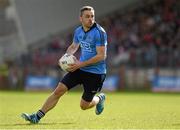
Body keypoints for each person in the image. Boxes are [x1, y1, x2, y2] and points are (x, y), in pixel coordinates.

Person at [21, 5, 108, 124]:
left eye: (92, 16)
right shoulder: (78, 31)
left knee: (84, 106)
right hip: (80, 68)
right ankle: (37, 116)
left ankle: (99, 99)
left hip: (96, 74)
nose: (90, 19)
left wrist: (80, 64)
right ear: (80, 18)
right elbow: (73, 46)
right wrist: (65, 57)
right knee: (59, 90)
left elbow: (101, 56)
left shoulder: (99, 33)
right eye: (87, 16)